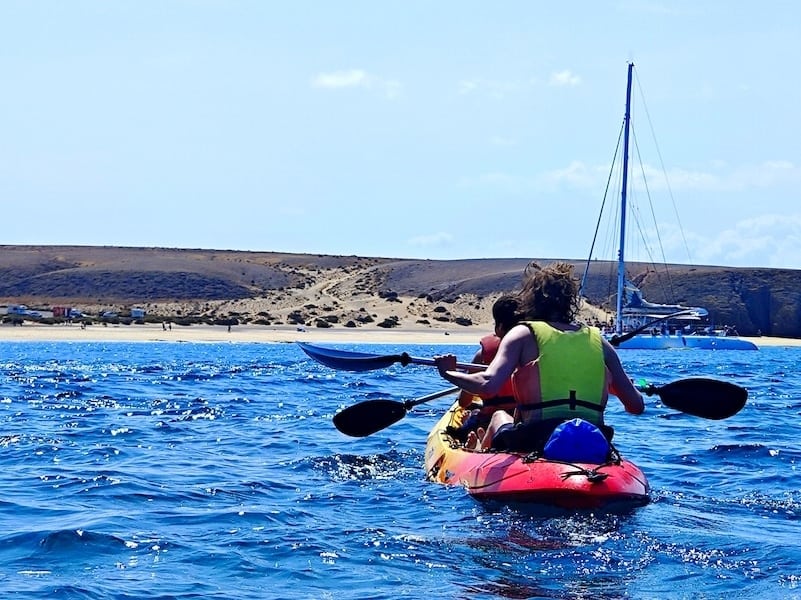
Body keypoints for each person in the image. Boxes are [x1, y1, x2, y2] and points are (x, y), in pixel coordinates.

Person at [434, 261, 644, 453]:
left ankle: (481, 453)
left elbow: (487, 384)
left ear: (531, 298)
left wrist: (448, 372)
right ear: (570, 302)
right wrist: (615, 386)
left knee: (499, 416)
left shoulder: (522, 333)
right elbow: (636, 406)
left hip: (536, 438)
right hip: (594, 438)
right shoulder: (601, 342)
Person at [447, 295, 520, 442]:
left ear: (499, 326)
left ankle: (473, 440)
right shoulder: (532, 351)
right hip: (523, 418)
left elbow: (464, 402)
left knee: (472, 416)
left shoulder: (481, 356)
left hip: (489, 418)